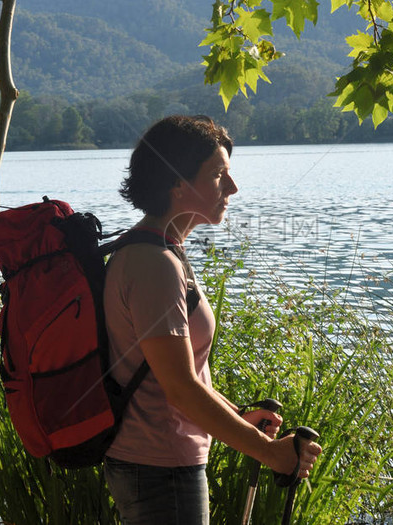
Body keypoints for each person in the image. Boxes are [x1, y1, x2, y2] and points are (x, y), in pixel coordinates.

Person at [102, 115, 321, 524]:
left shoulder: (161, 251)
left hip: (158, 462)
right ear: (177, 184)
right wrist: (269, 452)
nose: (233, 188)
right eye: (219, 175)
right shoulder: (154, 264)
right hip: (160, 467)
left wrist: (237, 415)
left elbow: (182, 377)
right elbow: (180, 389)